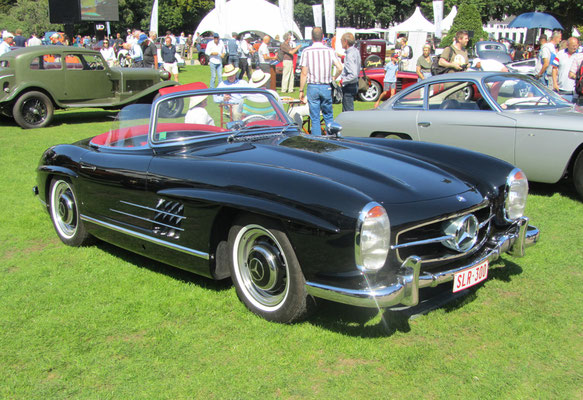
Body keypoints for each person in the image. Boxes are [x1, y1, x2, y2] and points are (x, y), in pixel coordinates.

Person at [298, 27, 343, 136]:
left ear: (312, 37)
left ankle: (317, 140)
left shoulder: (306, 51)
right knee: (328, 116)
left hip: (312, 86)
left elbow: (304, 73)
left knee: (315, 117)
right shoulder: (329, 51)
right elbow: (340, 67)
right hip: (326, 86)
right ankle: (331, 138)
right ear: (323, 37)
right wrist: (333, 77)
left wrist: (301, 90)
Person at [552, 37, 580, 102]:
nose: (575, 47)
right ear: (567, 45)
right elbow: (554, 68)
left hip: (574, 91)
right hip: (561, 89)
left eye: (576, 45)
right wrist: (555, 83)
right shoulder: (560, 54)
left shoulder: (580, 55)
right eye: (573, 46)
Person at [339, 32, 360, 112]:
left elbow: (353, 74)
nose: (341, 42)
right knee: (348, 109)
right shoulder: (355, 51)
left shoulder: (350, 55)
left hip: (349, 85)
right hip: (354, 84)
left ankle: (348, 124)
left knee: (347, 111)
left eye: (341, 41)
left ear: (346, 42)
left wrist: (343, 81)